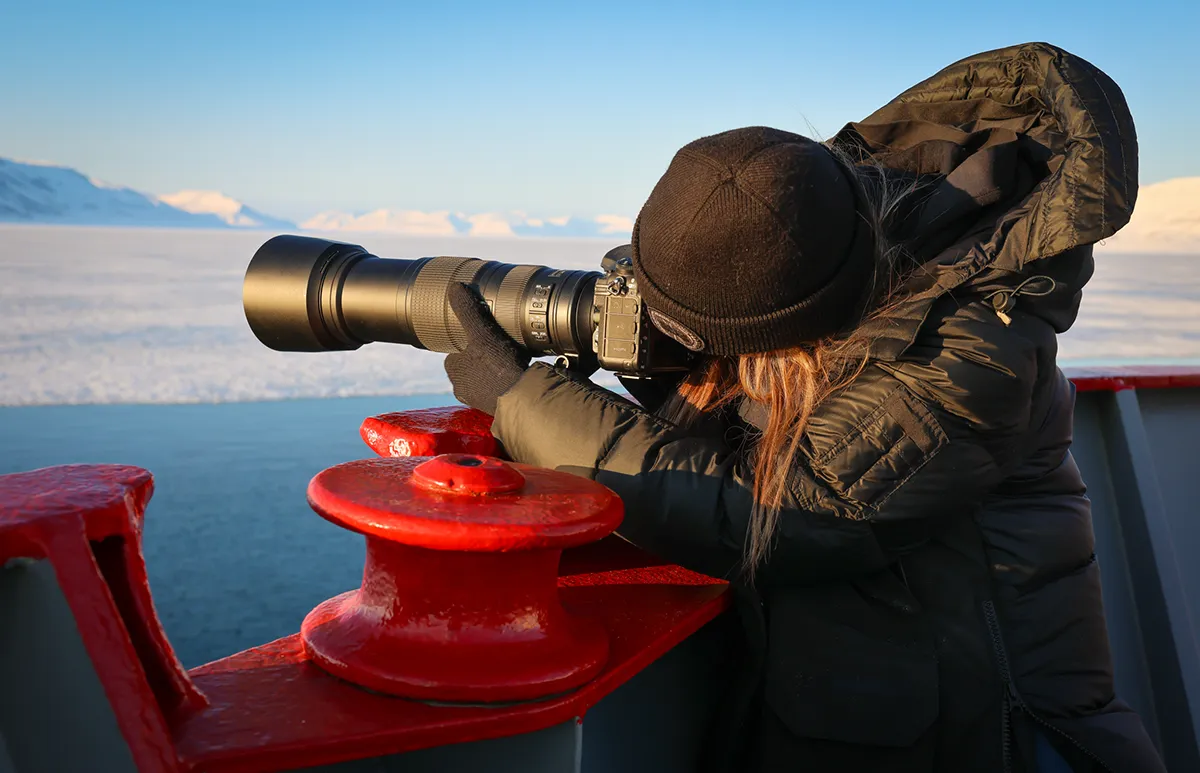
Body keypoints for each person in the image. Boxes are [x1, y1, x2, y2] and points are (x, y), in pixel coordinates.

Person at [442, 42, 1164, 773]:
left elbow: (787, 511)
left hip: (994, 736)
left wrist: (522, 398)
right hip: (875, 705)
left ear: (780, 328)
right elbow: (761, 409)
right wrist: (643, 358)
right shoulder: (813, 243)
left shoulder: (968, 350)